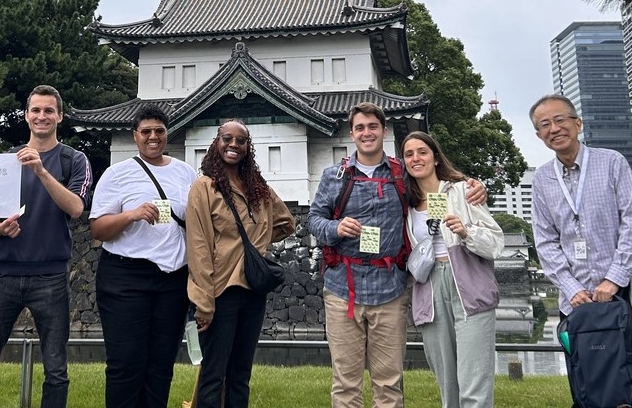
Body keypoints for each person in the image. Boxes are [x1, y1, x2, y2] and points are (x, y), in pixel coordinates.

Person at [307, 102, 486, 408]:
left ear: (384, 131)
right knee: (345, 383)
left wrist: (472, 185)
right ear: (351, 134)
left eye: (373, 127)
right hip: (343, 290)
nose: (367, 133)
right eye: (360, 128)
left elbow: (438, 181)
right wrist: (336, 228)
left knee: (389, 382)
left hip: (390, 288)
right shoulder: (334, 176)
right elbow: (313, 220)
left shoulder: (402, 174)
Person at [0, 85, 93, 408]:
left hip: (50, 277)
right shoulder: (6, 160)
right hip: (2, 274)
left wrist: (41, 171)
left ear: (59, 116)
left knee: (56, 369)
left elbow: (75, 208)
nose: (41, 116)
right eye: (36, 110)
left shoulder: (73, 159)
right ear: (26, 115)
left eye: (49, 110)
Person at [90, 105, 197, 408]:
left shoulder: (185, 173)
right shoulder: (117, 174)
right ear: (135, 135)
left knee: (161, 364)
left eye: (159, 131)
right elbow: (98, 229)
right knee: (126, 363)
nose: (153, 137)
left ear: (167, 133)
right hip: (126, 277)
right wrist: (132, 215)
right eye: (146, 132)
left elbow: (196, 222)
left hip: (173, 278)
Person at [530, 94, 632, 406]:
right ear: (538, 135)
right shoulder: (542, 178)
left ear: (578, 123)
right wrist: (572, 287)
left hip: (621, 293)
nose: (554, 128)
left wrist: (613, 278)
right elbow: (545, 240)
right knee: (583, 376)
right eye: (544, 125)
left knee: (625, 374)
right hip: (574, 301)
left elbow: (630, 221)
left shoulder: (612, 162)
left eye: (560, 120)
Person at [186, 119, 295, 407]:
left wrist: (256, 244)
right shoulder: (204, 188)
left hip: (253, 288)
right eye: (227, 139)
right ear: (216, 143)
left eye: (241, 140)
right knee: (214, 372)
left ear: (248, 147)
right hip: (221, 290)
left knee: (241, 373)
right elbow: (198, 247)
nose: (234, 145)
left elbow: (286, 222)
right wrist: (203, 301)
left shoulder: (257, 187)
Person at [402, 131, 503, 408]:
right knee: (448, 386)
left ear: (435, 157)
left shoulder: (462, 190)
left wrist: (466, 232)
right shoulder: (406, 205)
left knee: (474, 384)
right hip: (430, 288)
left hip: (468, 284)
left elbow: (495, 242)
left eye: (422, 151)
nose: (416, 158)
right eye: (409, 154)